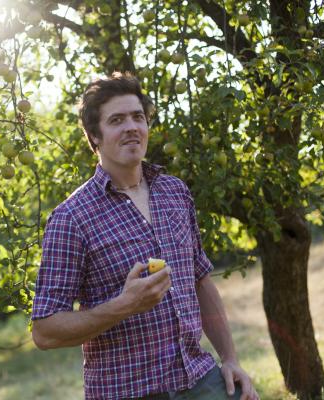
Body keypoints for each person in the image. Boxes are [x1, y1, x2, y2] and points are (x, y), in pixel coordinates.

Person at [31, 72, 259, 400]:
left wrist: (231, 359)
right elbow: (45, 331)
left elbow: (200, 279)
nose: (131, 127)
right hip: (128, 391)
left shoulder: (174, 192)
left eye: (138, 117)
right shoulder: (71, 218)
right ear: (95, 136)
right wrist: (124, 305)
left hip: (197, 377)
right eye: (117, 120)